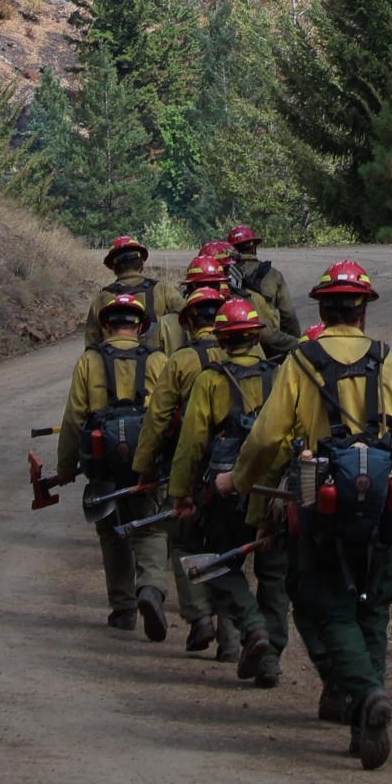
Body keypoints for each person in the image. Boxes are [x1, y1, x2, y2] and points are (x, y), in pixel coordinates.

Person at [215, 259, 392, 770]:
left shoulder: (301, 361)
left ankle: (367, 696)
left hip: (319, 504)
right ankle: (361, 723)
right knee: (372, 605)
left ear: (323, 309)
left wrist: (237, 482)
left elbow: (266, 437)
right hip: (380, 507)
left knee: (325, 603)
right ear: (362, 313)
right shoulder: (386, 361)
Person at [170, 299, 286, 689]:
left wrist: (181, 492)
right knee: (273, 575)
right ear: (256, 337)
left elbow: (190, 445)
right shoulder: (280, 375)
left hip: (224, 492)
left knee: (219, 564)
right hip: (272, 491)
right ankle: (269, 660)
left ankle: (251, 627)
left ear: (220, 338)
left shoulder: (210, 380)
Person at [132, 282, 239, 660]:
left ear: (190, 322)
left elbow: (156, 418)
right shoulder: (248, 355)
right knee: (228, 548)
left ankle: (200, 618)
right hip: (235, 471)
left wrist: (144, 468)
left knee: (184, 540)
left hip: (191, 467)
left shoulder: (180, 360)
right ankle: (230, 639)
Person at [57, 292, 171, 641]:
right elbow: (170, 414)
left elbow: (75, 418)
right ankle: (150, 588)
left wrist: (65, 467)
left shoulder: (89, 360)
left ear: (106, 325)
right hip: (146, 461)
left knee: (110, 529)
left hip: (103, 463)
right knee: (150, 529)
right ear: (140, 326)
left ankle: (123, 610)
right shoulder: (157, 361)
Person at [84, 234, 183, 348]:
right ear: (142, 264)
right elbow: (185, 316)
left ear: (114, 268)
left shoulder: (101, 300)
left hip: (113, 364)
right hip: (158, 363)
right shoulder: (162, 290)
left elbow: (91, 346)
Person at [227, 224, 300, 343]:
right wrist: (292, 344)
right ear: (254, 247)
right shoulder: (273, 274)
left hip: (233, 342)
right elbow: (288, 315)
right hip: (270, 342)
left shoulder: (224, 275)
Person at [154, 254, 230, 358]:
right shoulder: (233, 320)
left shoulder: (166, 324)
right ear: (219, 287)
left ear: (189, 288)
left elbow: (152, 364)